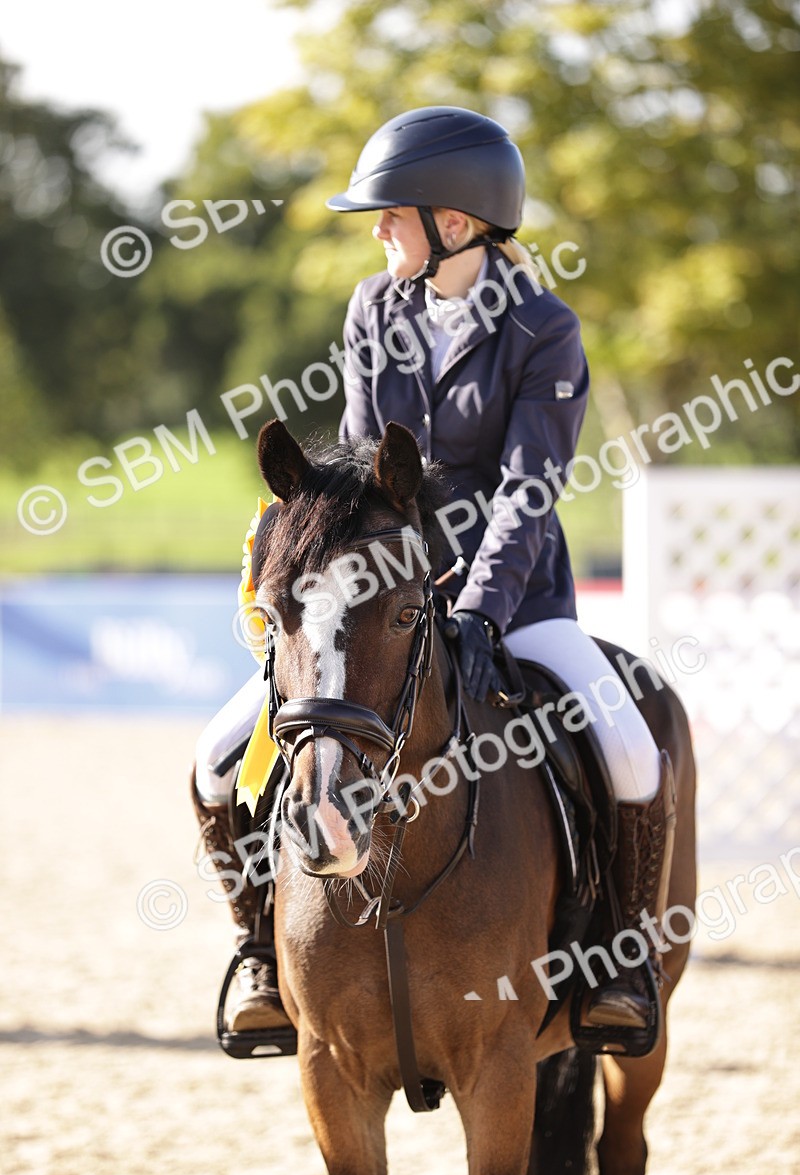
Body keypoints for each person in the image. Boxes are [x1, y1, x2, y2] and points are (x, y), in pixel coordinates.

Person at [193, 105, 675, 1037]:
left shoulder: (545, 330)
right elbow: (368, 473)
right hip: (379, 606)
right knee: (214, 764)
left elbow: (528, 494)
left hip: (518, 598)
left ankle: (625, 965)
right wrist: (308, 559)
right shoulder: (374, 308)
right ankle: (259, 950)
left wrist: (481, 611)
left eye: (389, 215)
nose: (375, 232)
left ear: (454, 223)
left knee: (632, 754)